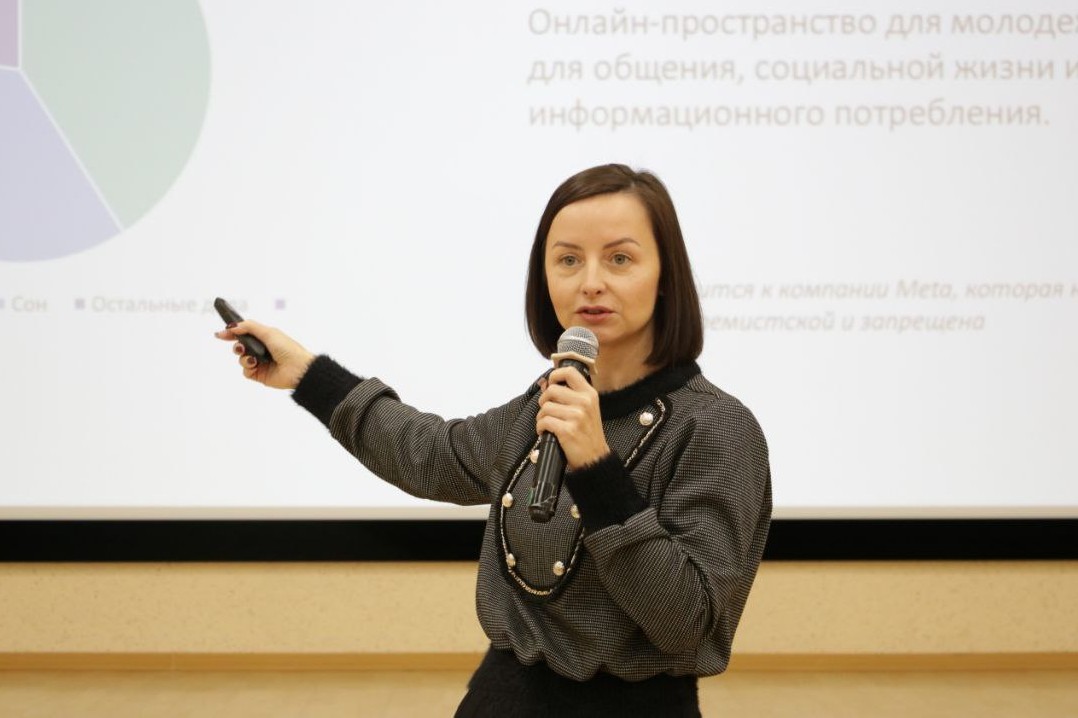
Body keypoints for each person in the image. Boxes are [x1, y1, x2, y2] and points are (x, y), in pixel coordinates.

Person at [215, 164, 772, 717]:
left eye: (619, 259)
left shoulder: (716, 427)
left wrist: (596, 467)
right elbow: (432, 454)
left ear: (666, 275)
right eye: (568, 260)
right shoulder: (545, 401)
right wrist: (307, 374)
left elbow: (686, 622)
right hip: (502, 697)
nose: (590, 282)